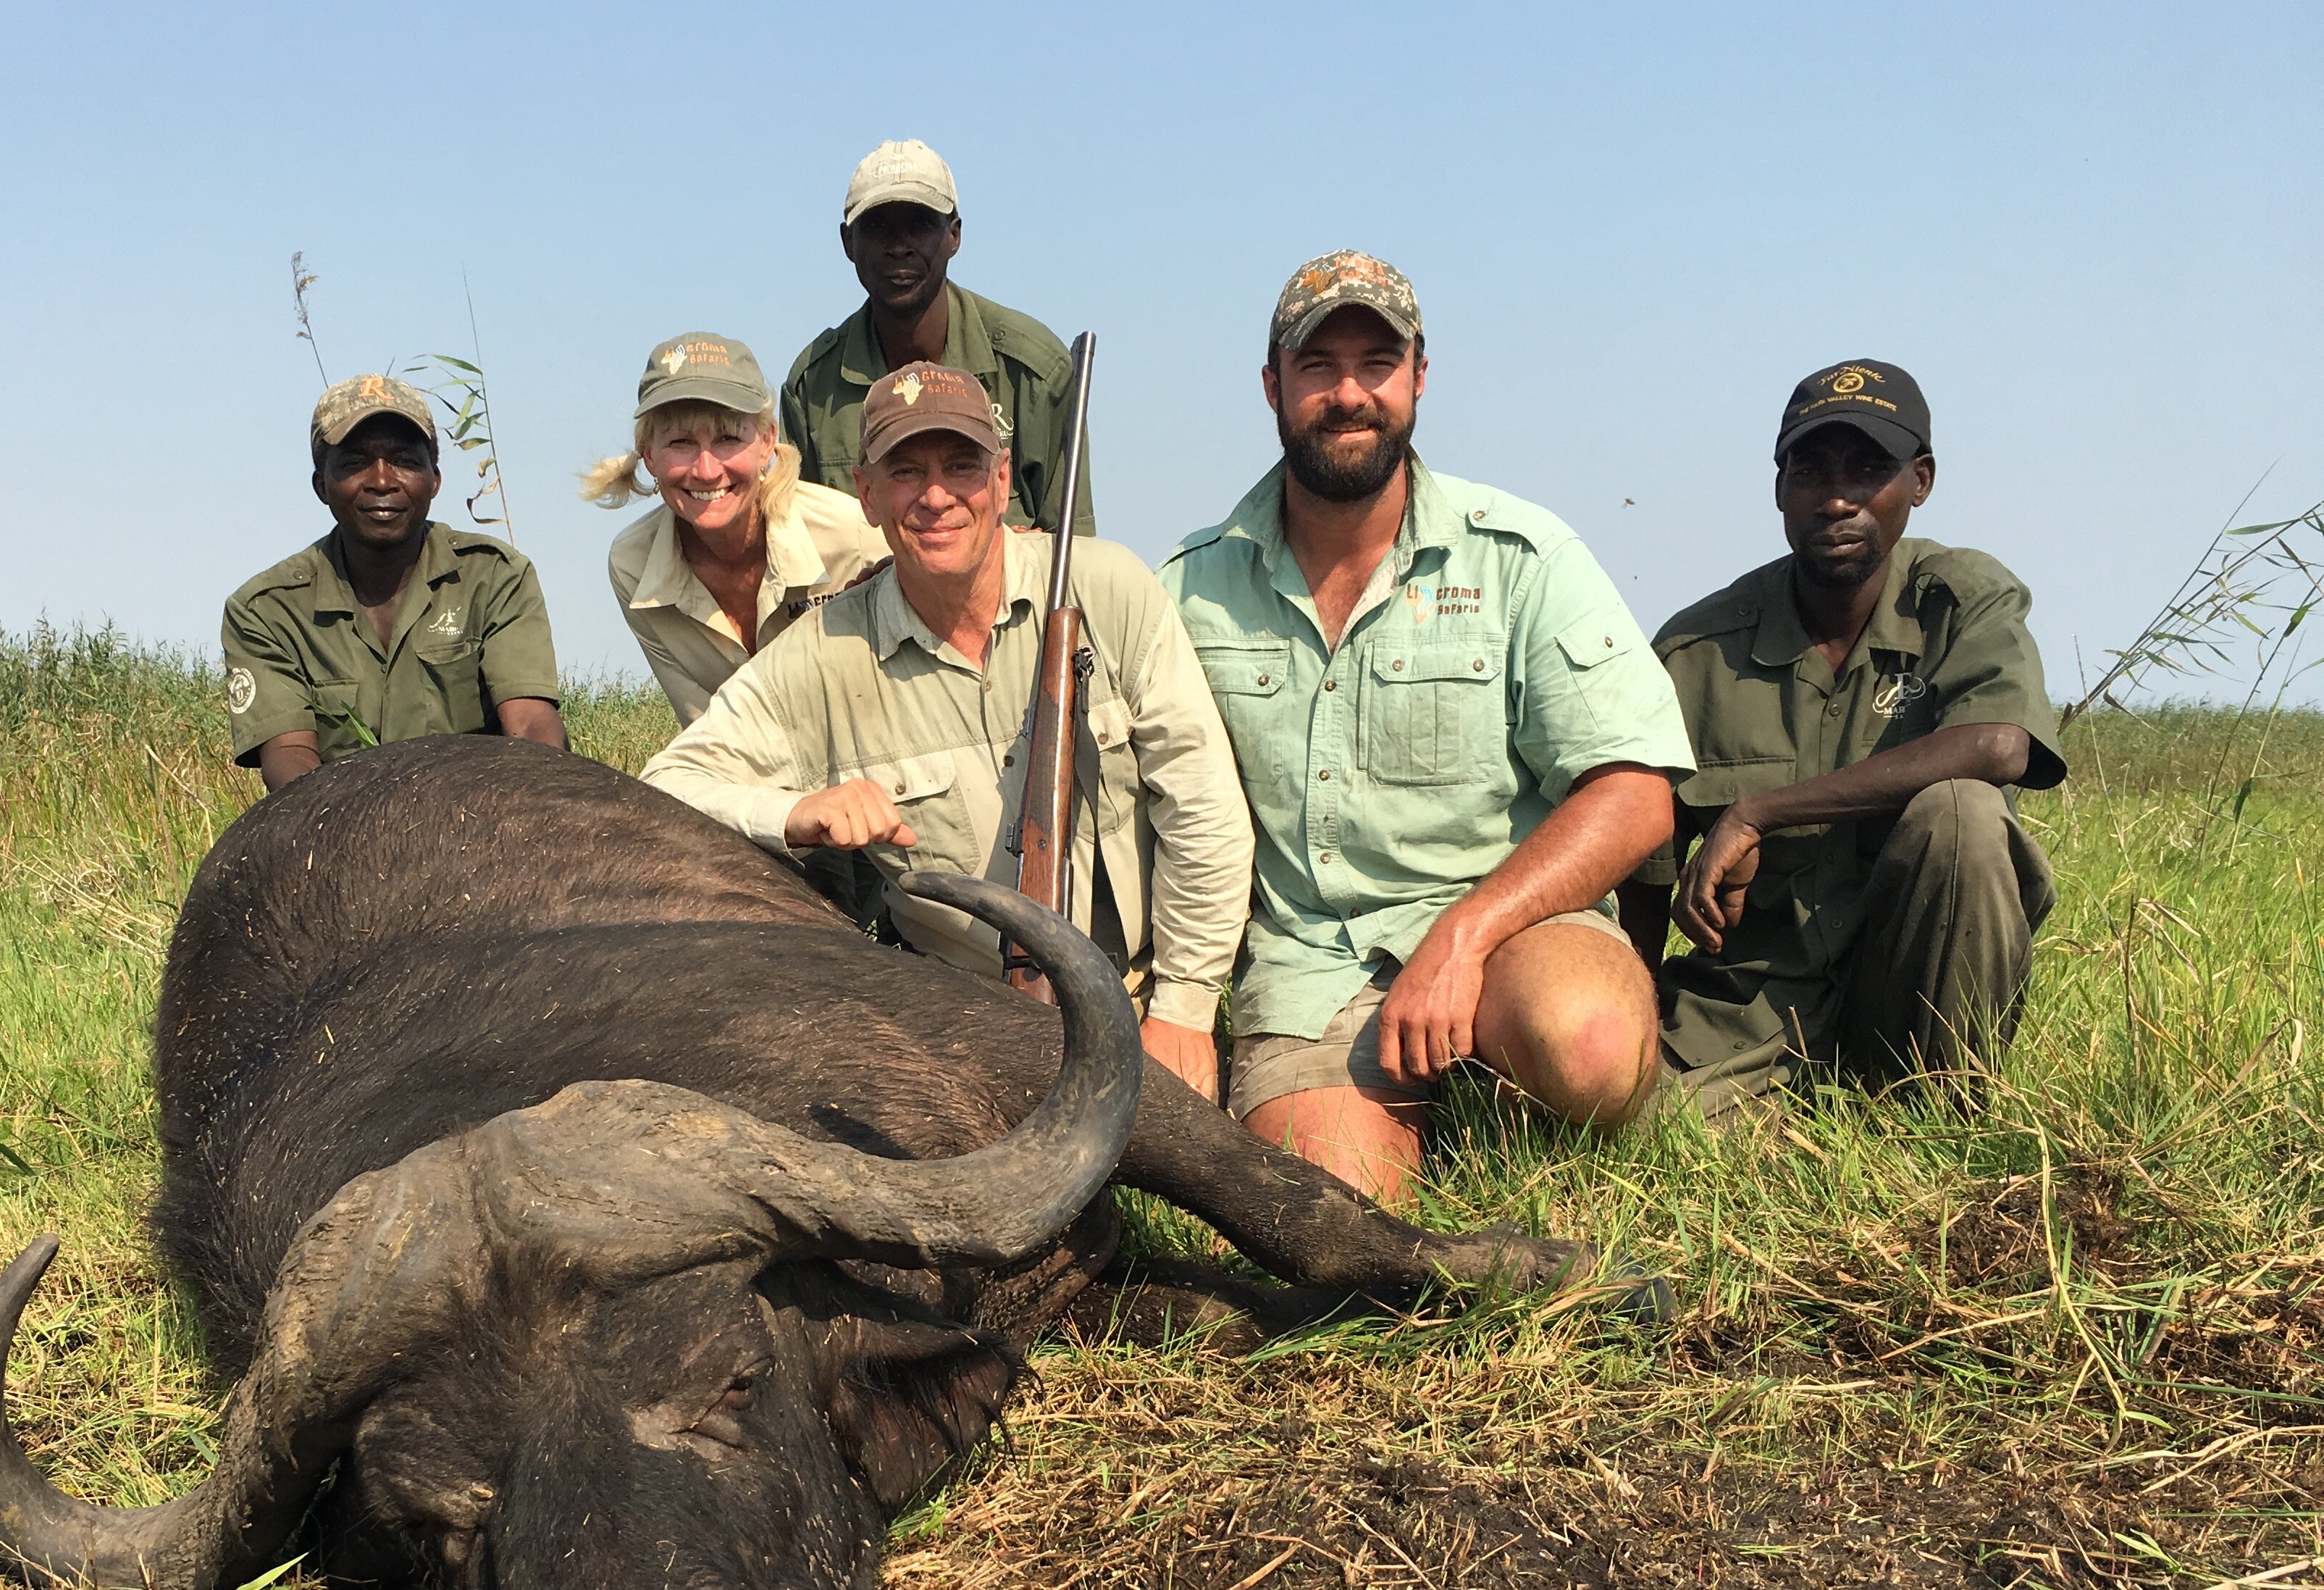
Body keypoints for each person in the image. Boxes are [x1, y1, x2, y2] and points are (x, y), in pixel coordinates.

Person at [1162, 251, 1693, 1207]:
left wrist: (1465, 936)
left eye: (1378, 362)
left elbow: (1639, 794)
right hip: (1310, 967)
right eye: (1318, 367)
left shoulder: (1522, 555)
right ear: (1273, 386)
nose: (1349, 393)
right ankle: (1418, 1135)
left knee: (1594, 1048)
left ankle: (1520, 1108)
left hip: (1510, 932)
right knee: (1329, 1219)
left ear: (1418, 377)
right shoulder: (1187, 588)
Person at [642, 363, 1249, 1098]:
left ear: (1000, 480)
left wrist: (1184, 1014)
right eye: (906, 472)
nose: (935, 497)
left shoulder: (1108, 589)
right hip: (962, 1033)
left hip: (1148, 1003)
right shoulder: (823, 651)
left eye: (961, 466)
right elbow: (666, 788)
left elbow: (1205, 812)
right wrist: (795, 814)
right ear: (866, 495)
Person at [1622, 362, 2064, 1115]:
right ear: (1779, 488)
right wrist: (1620, 1035)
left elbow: (1999, 746)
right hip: (1748, 1012)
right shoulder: (1696, 650)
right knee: (1609, 1126)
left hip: (1909, 1007)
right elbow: (1643, 878)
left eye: (1868, 471)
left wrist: (1759, 811)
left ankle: (1941, 1115)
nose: (1836, 499)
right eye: (1811, 471)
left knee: (1964, 813)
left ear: (1919, 481)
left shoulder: (1960, 602)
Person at [221, 374, 566, 790]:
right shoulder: (266, 610)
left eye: (404, 460)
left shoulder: (495, 576)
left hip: (483, 813)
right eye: (354, 463)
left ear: (434, 479)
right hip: (340, 821)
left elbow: (531, 725)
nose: (382, 481)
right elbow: (288, 756)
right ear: (321, 485)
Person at [776, 141, 1094, 537]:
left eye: (920, 225)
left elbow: (1072, 552)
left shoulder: (1032, 371)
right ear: (847, 243)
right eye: (877, 227)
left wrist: (1015, 551)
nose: (898, 247)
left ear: (954, 236)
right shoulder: (813, 387)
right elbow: (801, 554)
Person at [588, 332, 888, 727]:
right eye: (680, 442)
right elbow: (705, 734)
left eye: (729, 438)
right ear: (649, 456)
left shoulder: (855, 534)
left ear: (767, 443)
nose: (707, 471)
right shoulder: (632, 565)